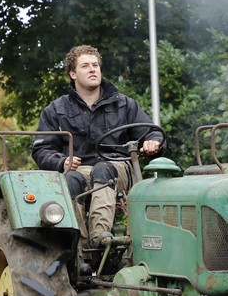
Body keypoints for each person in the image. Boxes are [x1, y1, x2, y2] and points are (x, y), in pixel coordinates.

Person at [31, 45, 162, 247]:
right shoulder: (56, 109)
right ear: (73, 74)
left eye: (95, 65)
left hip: (117, 168)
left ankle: (100, 240)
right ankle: (77, 248)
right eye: (85, 66)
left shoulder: (124, 104)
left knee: (103, 169)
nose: (92, 69)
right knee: (70, 179)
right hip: (78, 170)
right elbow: (42, 149)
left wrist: (153, 141)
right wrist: (62, 162)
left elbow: (150, 132)